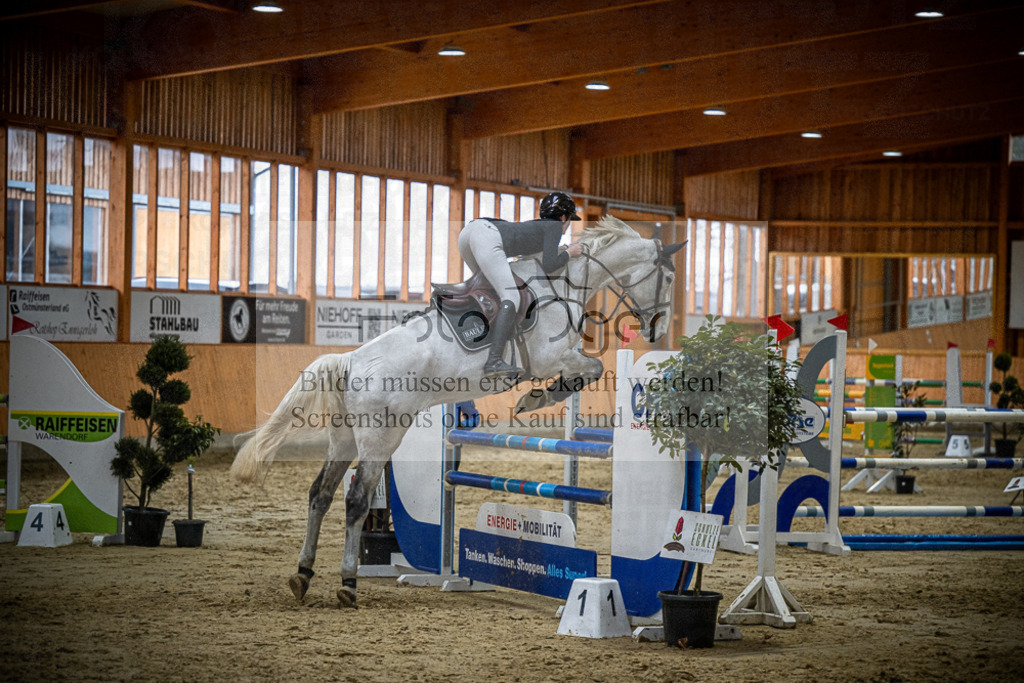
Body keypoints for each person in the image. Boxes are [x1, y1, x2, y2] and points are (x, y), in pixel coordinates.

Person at [458, 191, 585, 380]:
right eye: (569, 220)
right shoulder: (554, 227)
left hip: (468, 233)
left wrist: (563, 251)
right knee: (511, 297)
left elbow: (533, 259)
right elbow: (550, 265)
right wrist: (570, 253)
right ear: (564, 217)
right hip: (487, 237)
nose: (567, 226)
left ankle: (473, 338)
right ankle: (494, 360)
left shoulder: (538, 227)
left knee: (488, 291)